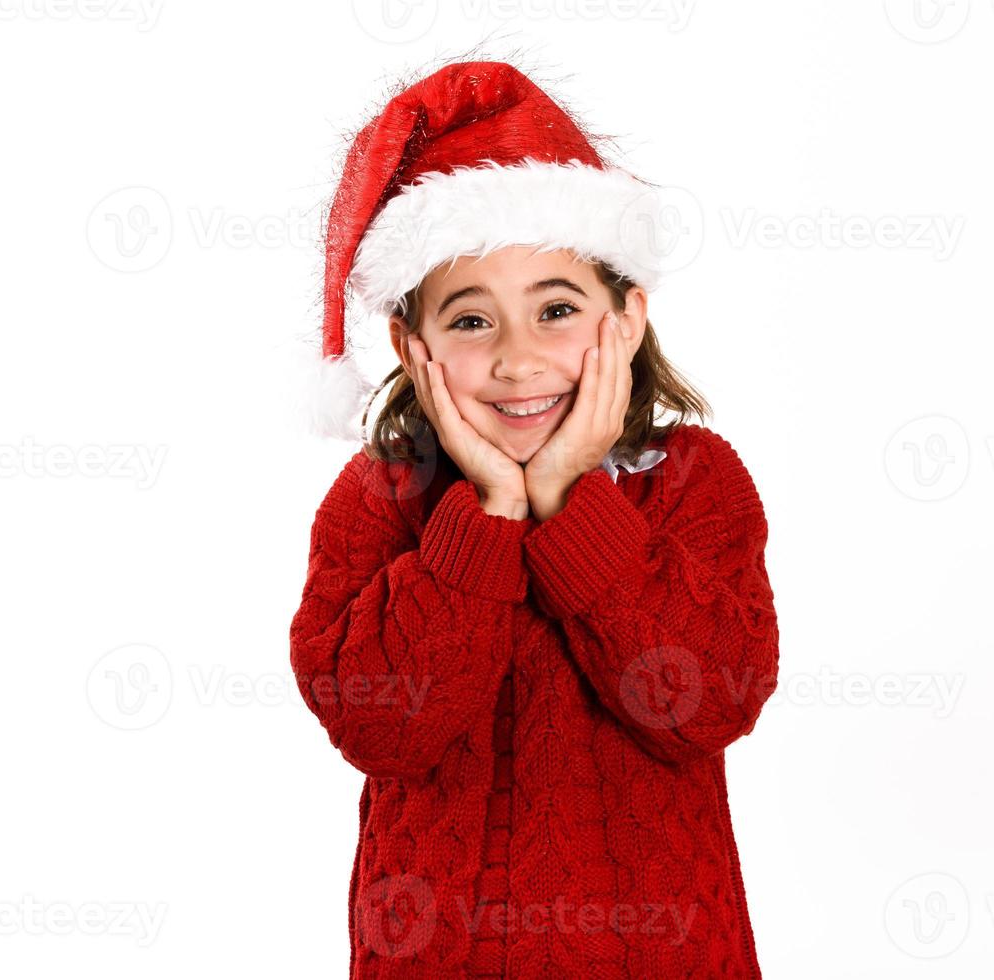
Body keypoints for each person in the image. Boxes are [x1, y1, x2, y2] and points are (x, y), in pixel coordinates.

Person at [288, 59, 779, 979]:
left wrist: (564, 497)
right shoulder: (376, 502)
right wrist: (489, 511)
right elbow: (386, 730)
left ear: (626, 320)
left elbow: (706, 702)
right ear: (411, 344)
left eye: (556, 310)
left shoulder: (692, 483)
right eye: (471, 322)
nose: (518, 361)